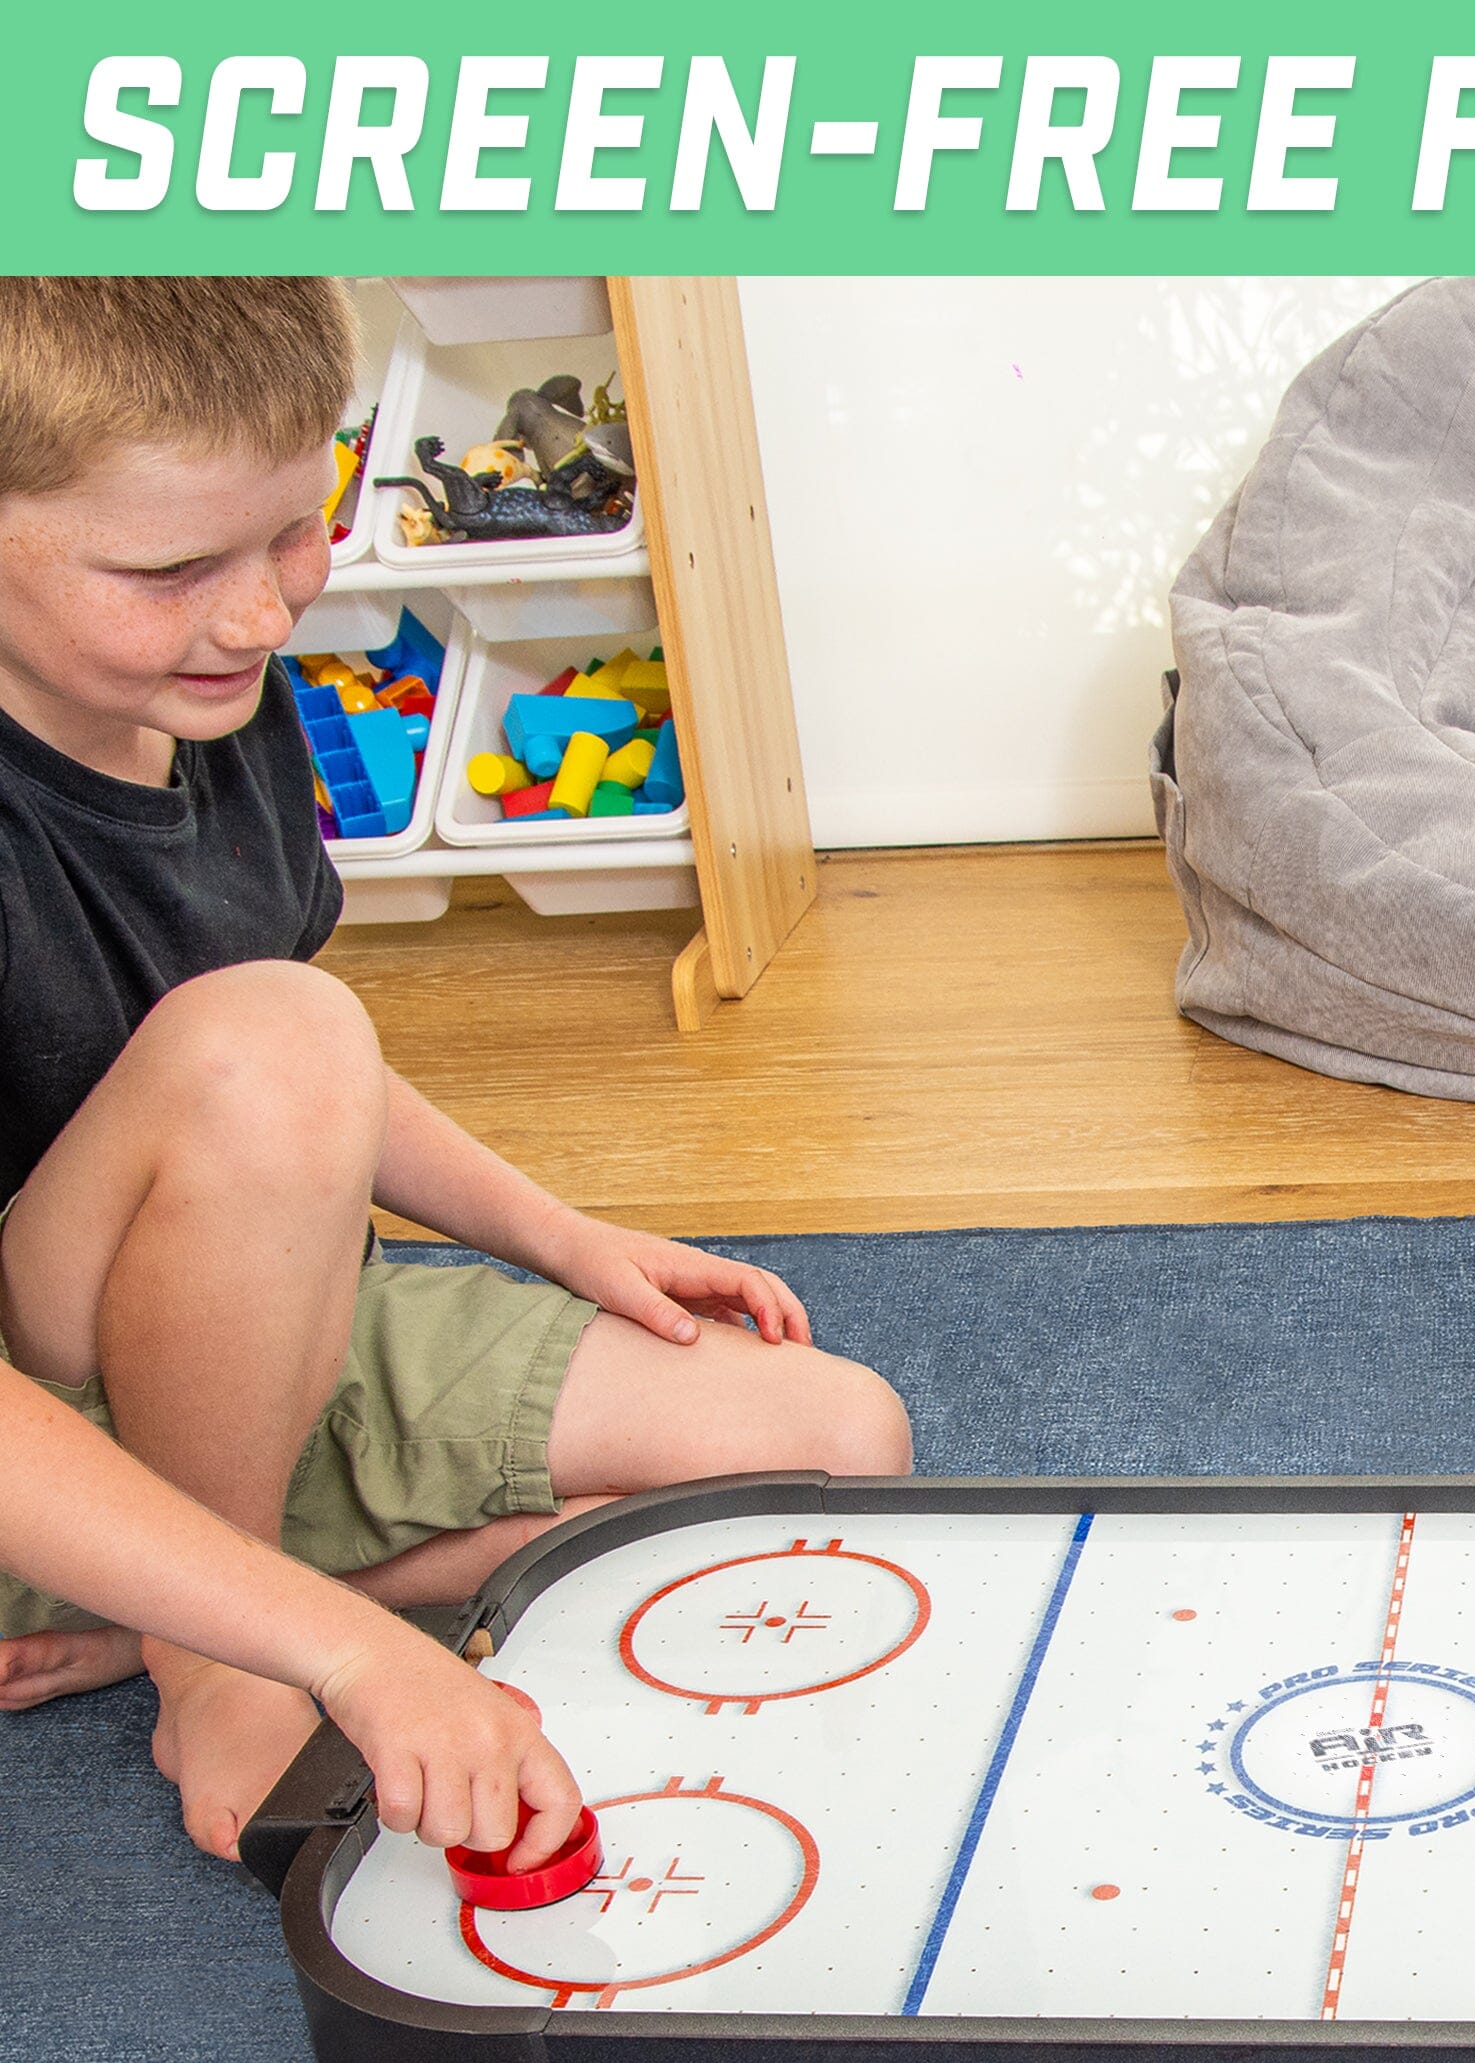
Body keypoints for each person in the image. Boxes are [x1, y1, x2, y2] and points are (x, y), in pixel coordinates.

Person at [0, 277, 912, 1862]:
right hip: (36, 1431)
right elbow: (272, 1060)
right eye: (169, 570)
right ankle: (215, 1648)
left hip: (253, 1351)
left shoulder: (207, 695)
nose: (262, 616)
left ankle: (188, 1604)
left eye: (295, 532)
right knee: (279, 1030)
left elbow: (303, 1090)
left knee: (838, 1446)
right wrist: (349, 1664)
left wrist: (558, 1235)